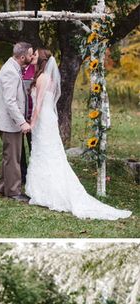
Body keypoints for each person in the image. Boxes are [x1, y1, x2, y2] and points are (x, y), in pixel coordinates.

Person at [25, 49, 131, 220]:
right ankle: (43, 189)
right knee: (47, 153)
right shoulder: (48, 77)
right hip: (47, 118)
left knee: (47, 153)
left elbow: (38, 105)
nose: (32, 57)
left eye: (35, 55)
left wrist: (32, 123)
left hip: (43, 119)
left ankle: (50, 192)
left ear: (42, 60)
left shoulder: (43, 78)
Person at [0, 42, 34, 202]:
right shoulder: (10, 71)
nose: (31, 57)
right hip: (9, 123)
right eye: (30, 54)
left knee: (9, 156)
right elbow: (10, 101)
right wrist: (22, 122)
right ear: (23, 57)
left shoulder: (12, 68)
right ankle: (14, 191)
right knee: (13, 157)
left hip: (8, 121)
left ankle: (4, 188)